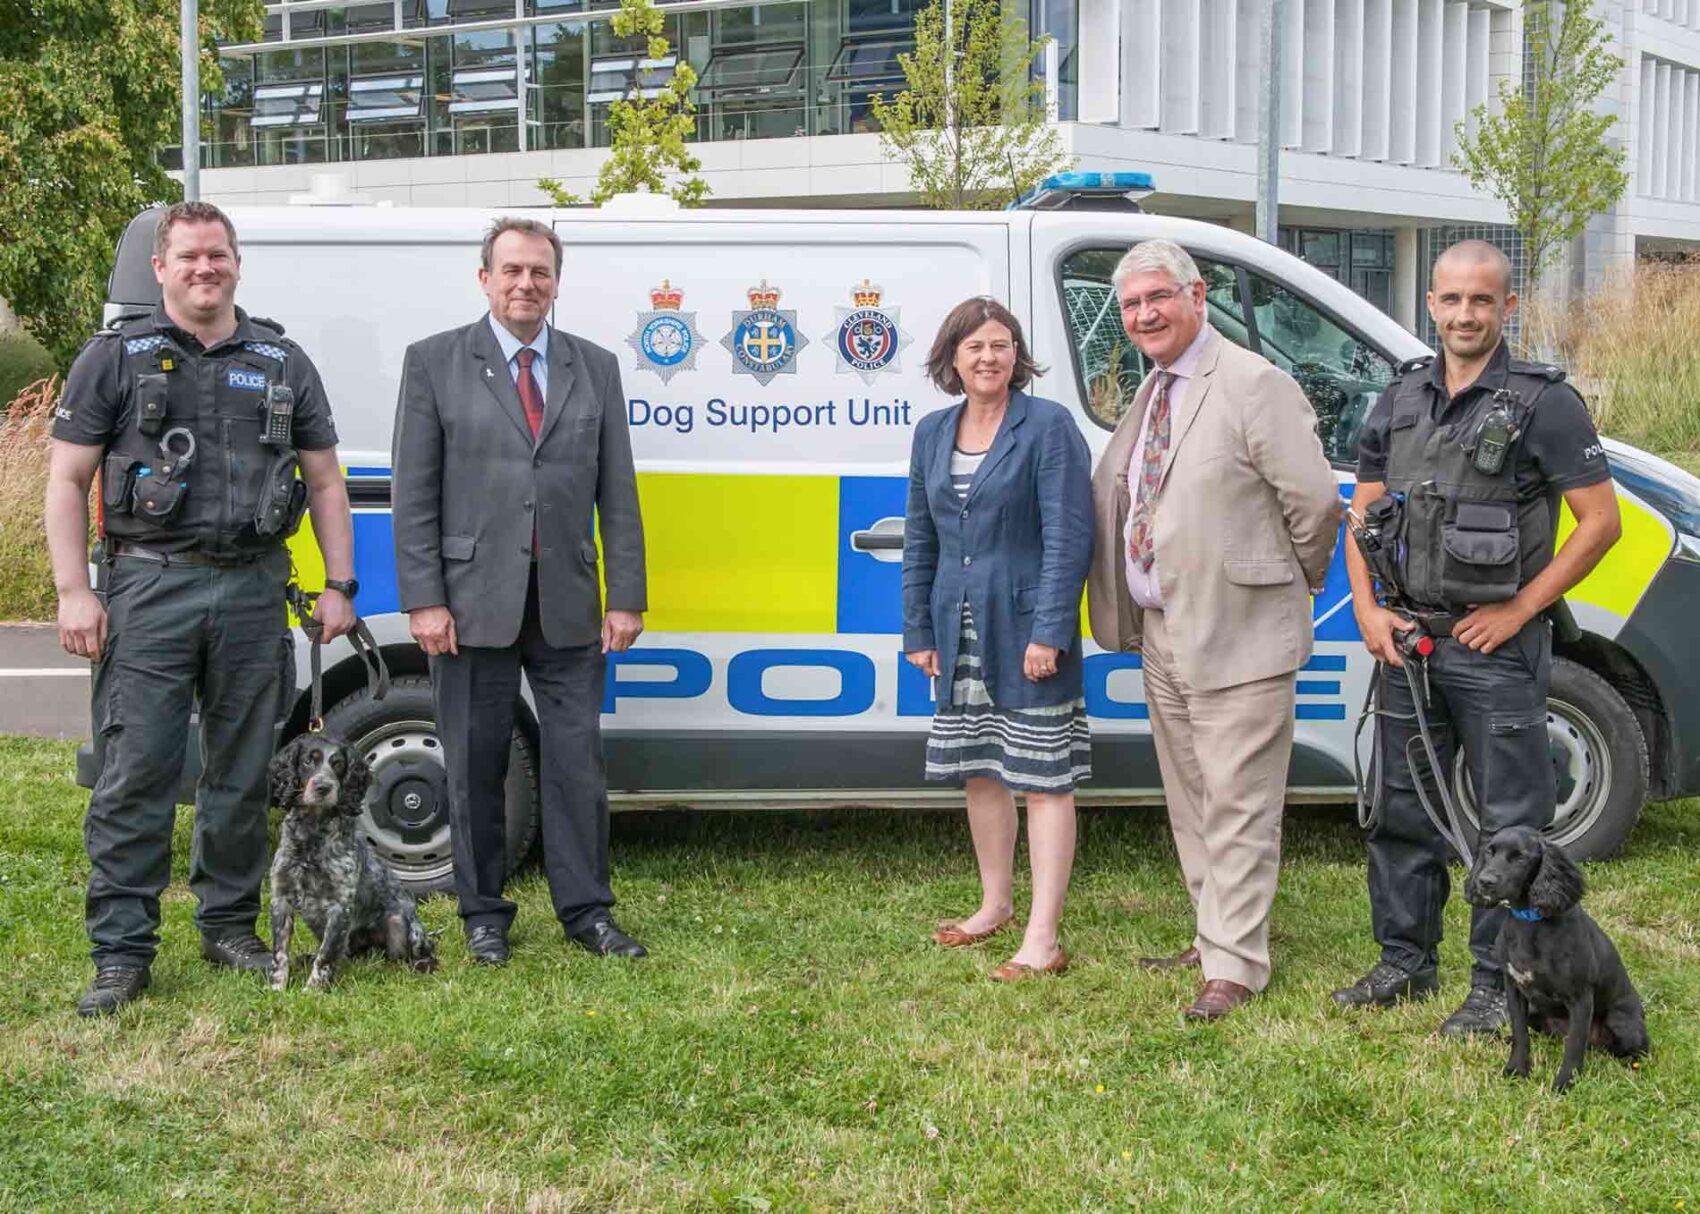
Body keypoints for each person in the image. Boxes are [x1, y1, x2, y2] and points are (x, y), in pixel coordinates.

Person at [46, 200, 356, 1017]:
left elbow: (325, 480)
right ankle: (122, 951)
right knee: (136, 771)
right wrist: (75, 590)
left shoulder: (282, 359)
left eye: (217, 255)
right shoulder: (116, 358)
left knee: (244, 772)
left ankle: (228, 926)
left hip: (256, 587)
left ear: (236, 262)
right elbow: (67, 481)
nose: (204, 269)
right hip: (149, 586)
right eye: (187, 257)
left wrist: (339, 586)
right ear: (161, 267)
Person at [1329, 240, 1621, 1035]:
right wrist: (1365, 611)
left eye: (1482, 302)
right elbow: (1362, 513)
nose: (1465, 315)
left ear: (1507, 308)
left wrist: (1522, 609)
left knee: (1509, 829)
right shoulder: (1398, 397)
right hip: (1409, 645)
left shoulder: (1544, 403)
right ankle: (1404, 961)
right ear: (1431, 303)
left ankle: (1499, 984)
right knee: (1401, 810)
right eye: (1452, 300)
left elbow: (1601, 524)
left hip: (1495, 649)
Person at [1086, 239, 1340, 1021]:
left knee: (1239, 800)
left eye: (1157, 297)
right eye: (1131, 305)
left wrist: (1275, 582)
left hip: (1240, 628)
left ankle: (1235, 964)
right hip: (1164, 626)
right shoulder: (1155, 387)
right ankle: (1214, 933)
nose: (1144, 315)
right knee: (1193, 795)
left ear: (1198, 296)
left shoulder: (1253, 383)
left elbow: (1316, 505)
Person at [392, 217, 647, 966]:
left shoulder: (593, 367)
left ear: (556, 281)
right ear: (485, 279)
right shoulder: (434, 362)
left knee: (577, 765)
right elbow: (415, 493)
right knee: (474, 765)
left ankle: (588, 914)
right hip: (470, 605)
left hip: (568, 600)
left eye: (539, 271)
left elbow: (618, 490)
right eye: (511, 271)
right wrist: (424, 599)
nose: (525, 284)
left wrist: (624, 594)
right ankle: (483, 916)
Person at [902, 296, 1093, 981]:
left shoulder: (1047, 426)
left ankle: (1043, 937)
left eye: (1001, 344)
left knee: (1043, 780)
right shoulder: (932, 431)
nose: (989, 357)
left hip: (1025, 630)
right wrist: (917, 628)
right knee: (981, 771)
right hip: (957, 629)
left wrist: (1051, 632)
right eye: (975, 345)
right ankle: (995, 906)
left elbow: (1070, 540)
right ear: (952, 357)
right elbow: (920, 538)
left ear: (1017, 356)